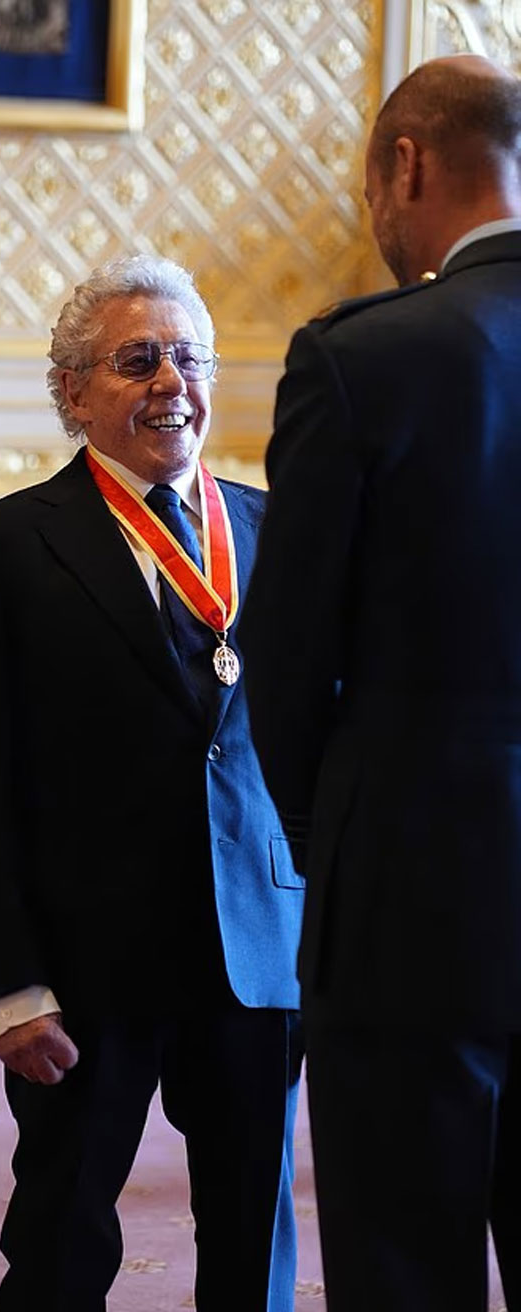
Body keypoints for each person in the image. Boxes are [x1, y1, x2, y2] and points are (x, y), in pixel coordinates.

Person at [0, 252, 305, 1312]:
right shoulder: (2, 549)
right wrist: (12, 987)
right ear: (73, 393)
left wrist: (324, 943)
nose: (170, 383)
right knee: (62, 1239)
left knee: (253, 1242)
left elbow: (318, 750)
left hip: (255, 954)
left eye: (189, 358)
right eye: (137, 360)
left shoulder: (277, 529)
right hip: (88, 966)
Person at [237, 54, 521, 1312]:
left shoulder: (363, 356)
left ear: (407, 164)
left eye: (368, 191)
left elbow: (288, 651)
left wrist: (328, 836)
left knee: (405, 1260)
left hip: (411, 885)